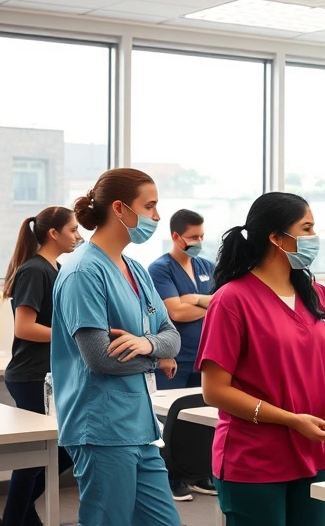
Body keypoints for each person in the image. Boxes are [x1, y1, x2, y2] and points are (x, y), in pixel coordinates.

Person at [197, 192, 325, 526]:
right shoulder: (232, 300)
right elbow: (215, 391)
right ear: (276, 238)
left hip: (313, 449)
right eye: (306, 229)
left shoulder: (316, 294)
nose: (314, 238)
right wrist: (292, 420)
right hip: (255, 458)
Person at [50, 168, 182, 526]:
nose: (157, 216)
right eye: (150, 206)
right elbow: (100, 358)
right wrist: (158, 357)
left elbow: (173, 337)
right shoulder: (82, 271)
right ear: (121, 209)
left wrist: (145, 344)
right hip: (102, 427)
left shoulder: (136, 270)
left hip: (140, 425)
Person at [0, 207, 81, 526]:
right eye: (73, 230)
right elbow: (24, 327)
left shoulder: (55, 268)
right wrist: (73, 337)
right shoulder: (35, 270)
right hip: (31, 376)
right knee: (36, 457)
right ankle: (13, 519)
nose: (79, 235)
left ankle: (21, 516)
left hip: (47, 374)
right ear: (53, 233)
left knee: (56, 451)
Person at [147, 209, 216, 500]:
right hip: (175, 355)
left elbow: (222, 305)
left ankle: (199, 473)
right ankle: (172, 478)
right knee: (171, 420)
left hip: (205, 354)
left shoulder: (207, 266)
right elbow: (175, 311)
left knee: (202, 418)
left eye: (201, 235)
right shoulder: (160, 268)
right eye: (192, 237)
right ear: (175, 237)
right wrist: (206, 304)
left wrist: (196, 301)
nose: (199, 241)